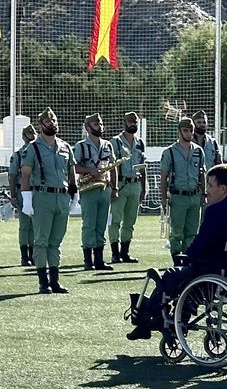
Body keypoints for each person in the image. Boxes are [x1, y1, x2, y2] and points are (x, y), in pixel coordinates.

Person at [126, 164, 227, 340]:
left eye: (210, 186)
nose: (206, 191)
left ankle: (149, 319)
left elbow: (198, 247)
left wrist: (188, 256)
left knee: (172, 274)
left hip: (221, 275)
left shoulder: (216, 210)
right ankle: (167, 321)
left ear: (223, 189)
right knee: (188, 276)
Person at [20, 107, 75, 294]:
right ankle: (43, 281)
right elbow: (26, 174)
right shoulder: (33, 147)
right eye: (48, 121)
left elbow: (71, 171)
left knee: (56, 241)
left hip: (62, 196)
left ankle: (55, 280)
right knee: (41, 240)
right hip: (42, 196)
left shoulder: (65, 147)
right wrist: (26, 199)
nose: (53, 124)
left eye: (54, 120)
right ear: (40, 125)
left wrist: (74, 193)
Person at [74, 112, 118, 271]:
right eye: (96, 124)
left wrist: (115, 187)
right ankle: (88, 260)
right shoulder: (80, 146)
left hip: (105, 188)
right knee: (89, 225)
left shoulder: (108, 145)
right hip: (88, 189)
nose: (100, 126)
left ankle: (99, 260)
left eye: (100, 123)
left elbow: (113, 167)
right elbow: (75, 167)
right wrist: (89, 170)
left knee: (101, 224)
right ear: (87, 127)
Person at [159, 117, 207, 258]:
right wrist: (163, 197)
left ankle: (188, 258)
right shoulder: (170, 152)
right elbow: (163, 176)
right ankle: (176, 257)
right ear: (179, 132)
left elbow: (202, 174)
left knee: (192, 231)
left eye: (190, 130)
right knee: (177, 231)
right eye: (185, 130)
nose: (188, 133)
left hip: (194, 195)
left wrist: (203, 194)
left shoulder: (198, 151)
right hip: (178, 196)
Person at [108, 112, 147, 264]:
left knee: (130, 222)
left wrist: (144, 188)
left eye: (135, 122)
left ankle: (125, 252)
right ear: (124, 123)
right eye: (130, 121)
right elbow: (112, 166)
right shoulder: (115, 142)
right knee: (115, 220)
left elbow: (143, 167)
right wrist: (113, 187)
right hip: (121, 185)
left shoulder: (140, 143)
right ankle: (114, 253)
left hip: (135, 184)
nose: (133, 124)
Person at [10, 124, 37, 267]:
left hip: (36, 191)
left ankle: (32, 253)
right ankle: (24, 255)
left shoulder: (38, 152)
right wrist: (13, 194)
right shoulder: (18, 155)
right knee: (25, 224)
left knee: (34, 224)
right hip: (22, 190)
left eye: (33, 133)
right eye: (29, 134)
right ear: (23, 137)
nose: (32, 136)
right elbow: (13, 175)